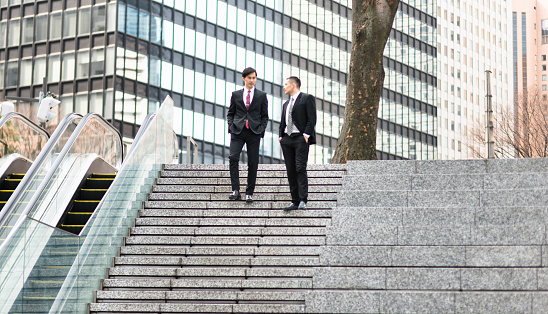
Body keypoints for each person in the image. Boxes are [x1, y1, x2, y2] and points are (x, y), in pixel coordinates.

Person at [227, 67, 269, 203]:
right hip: (238, 131)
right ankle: (236, 190)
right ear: (243, 78)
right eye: (249, 77)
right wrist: (231, 126)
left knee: (253, 162)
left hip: (254, 132)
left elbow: (264, 116)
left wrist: (261, 130)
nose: (252, 80)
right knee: (233, 158)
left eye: (254, 78)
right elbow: (230, 113)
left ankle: (249, 192)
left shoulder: (262, 95)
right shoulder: (236, 94)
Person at [279, 76, 317, 210]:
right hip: (287, 139)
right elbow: (283, 121)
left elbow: (312, 118)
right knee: (290, 170)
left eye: (286, 84)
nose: (284, 87)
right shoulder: (285, 104)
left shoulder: (307, 98)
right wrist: (280, 136)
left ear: (293, 85)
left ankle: (303, 200)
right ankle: (294, 201)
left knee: (300, 168)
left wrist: (306, 134)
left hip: (301, 138)